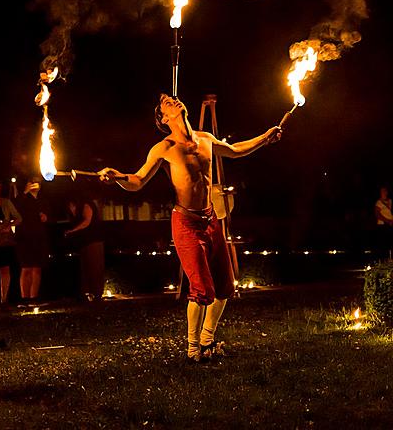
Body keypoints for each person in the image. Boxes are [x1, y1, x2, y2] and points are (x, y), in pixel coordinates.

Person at [98, 93, 282, 362]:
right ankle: (193, 348)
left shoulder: (205, 138)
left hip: (211, 218)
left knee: (225, 289)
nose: (174, 102)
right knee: (202, 290)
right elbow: (137, 181)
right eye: (166, 103)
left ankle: (208, 340)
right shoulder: (164, 148)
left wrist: (265, 138)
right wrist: (117, 178)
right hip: (185, 222)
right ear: (163, 118)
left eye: (174, 99)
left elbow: (235, 150)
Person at [15, 176, 50, 304]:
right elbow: (15, 208)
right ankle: (24, 298)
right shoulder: (22, 197)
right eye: (33, 182)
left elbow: (48, 214)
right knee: (26, 268)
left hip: (39, 237)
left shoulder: (43, 200)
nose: (36, 184)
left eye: (38, 183)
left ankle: (34, 297)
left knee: (37, 267)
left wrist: (45, 216)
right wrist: (24, 192)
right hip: (24, 237)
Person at [64, 194, 105, 302]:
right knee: (86, 268)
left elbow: (87, 221)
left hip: (93, 241)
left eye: (72, 206)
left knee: (94, 267)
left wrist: (73, 231)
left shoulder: (87, 205)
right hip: (83, 243)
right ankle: (87, 292)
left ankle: (96, 293)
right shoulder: (74, 210)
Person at [0, 179, 22, 310]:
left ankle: (4, 300)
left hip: (4, 240)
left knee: (5, 270)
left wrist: (8, 225)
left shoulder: (5, 202)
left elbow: (18, 218)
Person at [374, 185, 393, 257]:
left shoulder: (390, 201)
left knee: (390, 243)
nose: (384, 192)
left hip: (390, 224)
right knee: (384, 244)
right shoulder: (378, 203)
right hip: (382, 225)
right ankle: (383, 261)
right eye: (382, 191)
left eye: (385, 191)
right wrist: (387, 221)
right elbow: (377, 215)